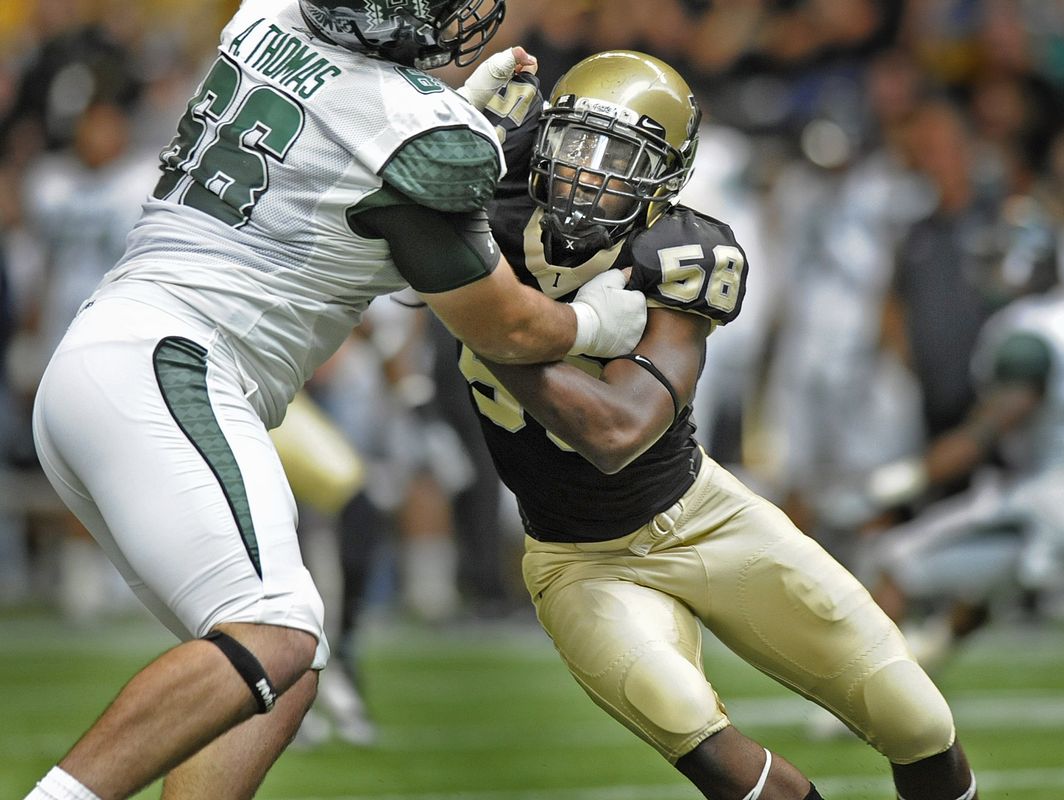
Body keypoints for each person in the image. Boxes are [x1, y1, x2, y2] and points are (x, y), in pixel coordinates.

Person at [23, 1, 649, 797]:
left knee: (279, 674)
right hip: (171, 366)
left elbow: (340, 142)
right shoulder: (416, 135)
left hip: (109, 360)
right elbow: (507, 326)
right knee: (276, 630)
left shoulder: (269, 16)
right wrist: (591, 323)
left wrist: (455, 106)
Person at [456, 50, 979, 800]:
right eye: (576, 146)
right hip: (579, 559)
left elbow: (616, 432)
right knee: (694, 724)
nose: (589, 175)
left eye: (619, 158)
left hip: (704, 518)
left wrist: (489, 318)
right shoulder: (488, 203)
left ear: (665, 178)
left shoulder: (679, 250)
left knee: (915, 715)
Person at [842, 196, 1064, 666]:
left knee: (893, 561)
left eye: (997, 260)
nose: (986, 272)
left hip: (1051, 507)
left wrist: (901, 481)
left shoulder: (1025, 339)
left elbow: (985, 433)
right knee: (982, 577)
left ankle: (864, 697)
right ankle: (930, 649)